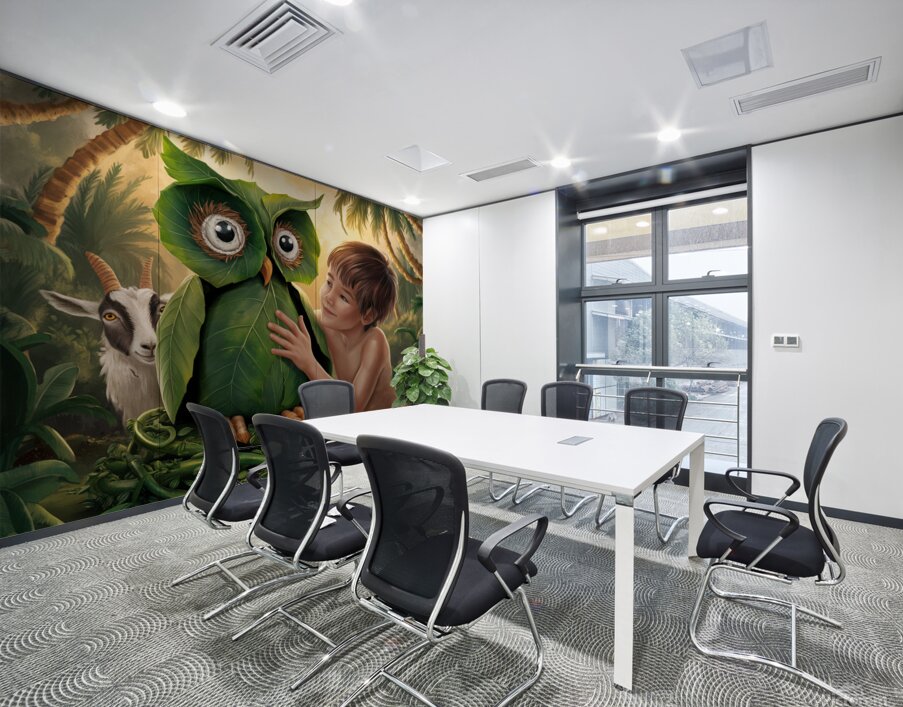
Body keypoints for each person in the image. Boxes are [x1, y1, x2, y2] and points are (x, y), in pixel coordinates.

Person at [269, 241, 398, 411]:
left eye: (344, 297)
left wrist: (309, 363)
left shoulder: (374, 342)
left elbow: (353, 406)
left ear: (367, 315)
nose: (329, 297)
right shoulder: (318, 322)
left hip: (376, 426)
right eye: (329, 283)